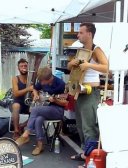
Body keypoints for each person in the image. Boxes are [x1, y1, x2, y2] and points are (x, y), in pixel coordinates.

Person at [67, 23, 108, 163]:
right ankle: (86, 154)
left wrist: (88, 65)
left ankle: (92, 159)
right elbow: (69, 66)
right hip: (80, 92)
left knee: (89, 126)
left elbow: (107, 67)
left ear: (89, 34)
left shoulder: (96, 50)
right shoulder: (82, 51)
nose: (78, 35)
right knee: (80, 125)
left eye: (80, 32)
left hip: (90, 93)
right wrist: (72, 64)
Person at [16, 67, 67, 156]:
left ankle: (26, 134)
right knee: (38, 119)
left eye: (43, 82)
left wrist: (55, 100)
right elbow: (35, 88)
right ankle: (40, 145)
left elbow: (66, 103)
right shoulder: (42, 81)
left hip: (57, 111)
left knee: (35, 110)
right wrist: (36, 94)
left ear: (49, 78)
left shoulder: (61, 84)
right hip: (46, 108)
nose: (41, 84)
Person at [11, 58, 33, 140]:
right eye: (21, 66)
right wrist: (28, 89)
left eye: (25, 66)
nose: (24, 67)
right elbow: (16, 93)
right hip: (18, 101)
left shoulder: (32, 78)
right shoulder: (15, 78)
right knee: (16, 106)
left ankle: (22, 126)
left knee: (36, 109)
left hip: (29, 103)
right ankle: (16, 131)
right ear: (18, 68)